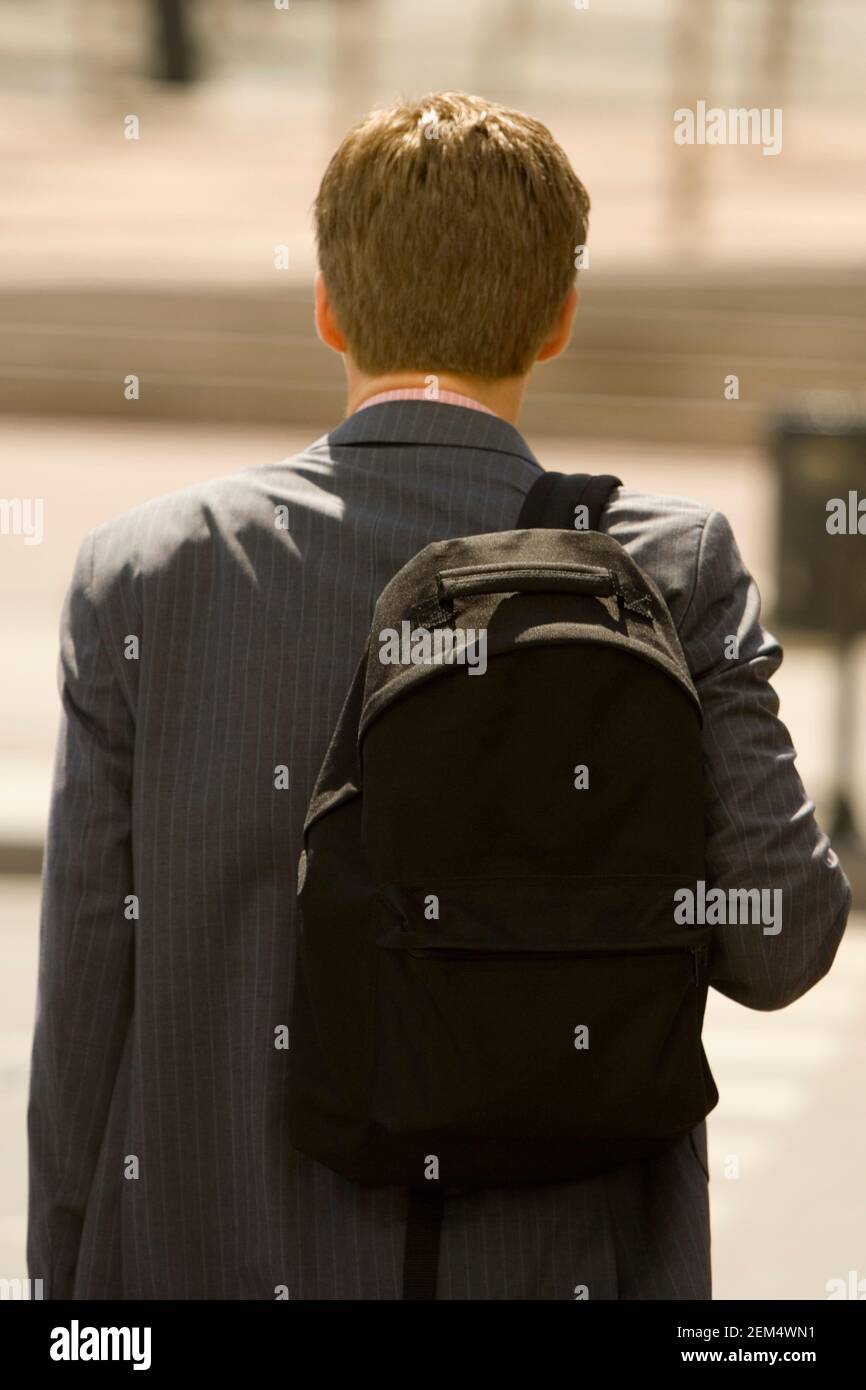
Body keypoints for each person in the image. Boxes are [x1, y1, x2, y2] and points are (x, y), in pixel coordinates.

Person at [28, 91, 851, 1300]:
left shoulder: (150, 575)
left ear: (326, 306)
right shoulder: (660, 571)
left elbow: (87, 1003)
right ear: (558, 318)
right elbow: (779, 939)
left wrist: (65, 1286)